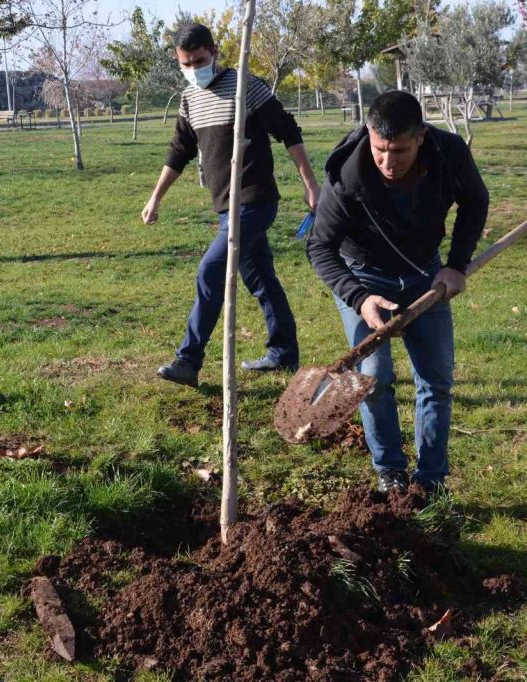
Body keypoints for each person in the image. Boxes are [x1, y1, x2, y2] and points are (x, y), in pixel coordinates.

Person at [306, 90, 489, 493]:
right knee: (373, 378)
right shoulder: (348, 175)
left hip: (425, 273)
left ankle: (430, 481)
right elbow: (319, 246)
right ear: (370, 135)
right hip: (364, 276)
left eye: (400, 151)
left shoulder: (449, 154)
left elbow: (475, 201)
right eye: (380, 149)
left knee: (436, 380)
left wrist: (456, 264)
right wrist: (358, 298)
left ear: (421, 136)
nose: (388, 162)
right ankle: (389, 471)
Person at [143, 23, 320, 388]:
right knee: (260, 279)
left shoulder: (246, 88)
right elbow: (179, 152)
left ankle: (188, 360)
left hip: (254, 201)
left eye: (199, 60)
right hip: (226, 206)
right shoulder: (190, 99)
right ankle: (283, 352)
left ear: (215, 53)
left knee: (210, 271)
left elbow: (288, 131)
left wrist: (310, 184)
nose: (193, 69)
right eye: (185, 64)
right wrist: (155, 197)